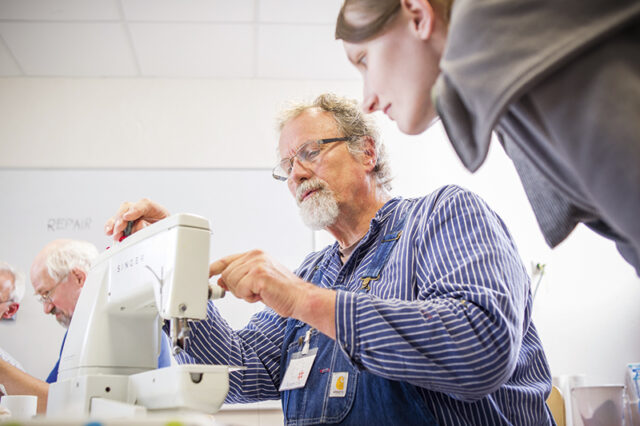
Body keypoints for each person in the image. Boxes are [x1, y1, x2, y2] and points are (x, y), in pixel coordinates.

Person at [106, 93, 553, 424]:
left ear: (367, 151)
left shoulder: (442, 215)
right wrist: (176, 260)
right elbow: (239, 373)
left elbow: (480, 346)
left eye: (310, 152)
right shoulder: (313, 273)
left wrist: (307, 302)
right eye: (286, 166)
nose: (296, 174)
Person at [335, 0, 640, 276]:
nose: (368, 100)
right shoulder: (512, 80)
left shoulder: (523, 56)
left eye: (364, 59)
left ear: (417, 15)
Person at [0, 239, 172, 413]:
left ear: (78, 277)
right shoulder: (79, 331)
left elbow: (60, 405)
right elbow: (52, 396)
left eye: (46, 294)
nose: (47, 308)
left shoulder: (118, 325)